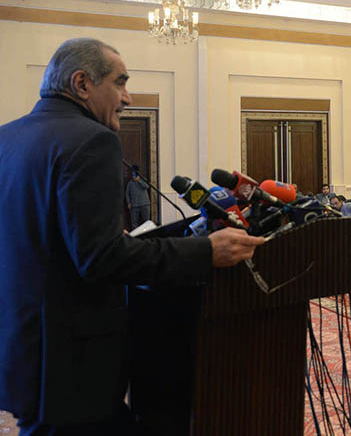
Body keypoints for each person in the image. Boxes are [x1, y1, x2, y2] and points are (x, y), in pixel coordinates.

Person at [0, 38, 264, 435]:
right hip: (71, 365)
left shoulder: (8, 138)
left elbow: (44, 238)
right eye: (120, 82)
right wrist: (204, 252)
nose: (128, 95)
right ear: (82, 83)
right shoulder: (92, 140)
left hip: (22, 351)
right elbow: (100, 259)